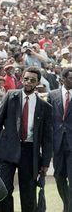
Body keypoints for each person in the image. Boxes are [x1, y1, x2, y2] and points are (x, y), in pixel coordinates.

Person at [0, 66, 53, 212]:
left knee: (28, 194)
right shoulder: (10, 96)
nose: (28, 82)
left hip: (29, 152)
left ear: (38, 83)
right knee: (4, 191)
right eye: (26, 79)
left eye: (32, 80)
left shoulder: (45, 107)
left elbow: (47, 138)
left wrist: (45, 163)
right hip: (7, 150)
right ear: (21, 79)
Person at [48, 67, 72, 212]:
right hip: (57, 144)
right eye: (70, 78)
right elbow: (49, 120)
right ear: (63, 79)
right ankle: (67, 205)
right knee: (59, 177)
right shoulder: (52, 95)